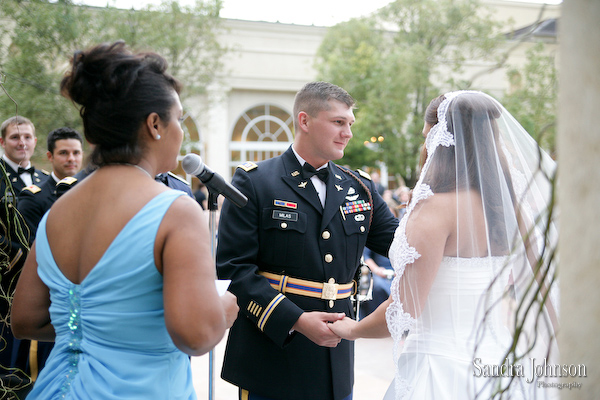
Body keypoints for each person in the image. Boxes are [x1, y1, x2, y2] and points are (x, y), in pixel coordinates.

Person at [10, 41, 238, 399]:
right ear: (154, 125)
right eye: (178, 119)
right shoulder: (176, 210)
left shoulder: (59, 211)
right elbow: (195, 335)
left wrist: (94, 326)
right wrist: (223, 310)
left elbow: (25, 319)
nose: (181, 131)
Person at [330, 91, 559, 399]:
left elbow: (404, 308)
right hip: (502, 366)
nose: (424, 148)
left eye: (428, 137)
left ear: (442, 140)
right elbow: (546, 285)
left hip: (440, 368)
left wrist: (350, 330)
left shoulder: (434, 209)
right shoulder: (509, 206)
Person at [216, 81, 399, 400]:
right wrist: (296, 319)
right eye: (338, 122)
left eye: (350, 124)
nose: (348, 133)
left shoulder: (360, 189)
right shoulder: (255, 182)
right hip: (272, 356)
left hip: (335, 363)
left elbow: (404, 245)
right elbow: (235, 270)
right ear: (304, 121)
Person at [0, 116, 49, 390]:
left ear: (35, 141)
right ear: (2, 142)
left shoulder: (45, 179)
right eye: (15, 137)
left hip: (43, 284)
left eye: (27, 137)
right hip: (6, 283)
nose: (22, 143)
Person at [18, 127, 84, 243]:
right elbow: (29, 246)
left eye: (76, 153)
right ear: (50, 156)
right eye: (63, 153)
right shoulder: (33, 198)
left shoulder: (92, 191)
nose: (71, 158)